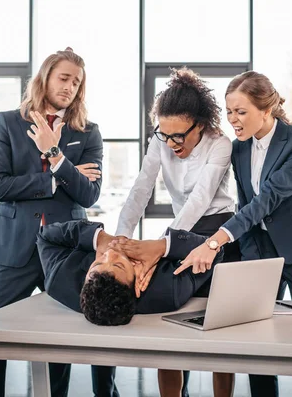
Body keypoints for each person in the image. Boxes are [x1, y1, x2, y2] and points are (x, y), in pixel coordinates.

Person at [178, 71, 292, 397]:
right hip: (261, 253)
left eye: (241, 111)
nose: (233, 119)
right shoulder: (239, 149)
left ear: (267, 109)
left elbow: (270, 197)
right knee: (258, 343)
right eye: (230, 111)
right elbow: (245, 203)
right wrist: (249, 255)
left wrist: (217, 239)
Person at [0, 48, 109, 397]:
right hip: (14, 248)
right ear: (46, 77)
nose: (69, 87)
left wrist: (56, 157)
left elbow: (88, 194)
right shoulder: (7, 123)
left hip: (65, 250)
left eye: (76, 82)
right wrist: (58, 179)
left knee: (60, 338)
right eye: (64, 78)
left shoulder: (88, 132)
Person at [114, 67, 239, 395]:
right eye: (164, 135)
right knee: (167, 326)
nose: (170, 144)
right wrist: (120, 237)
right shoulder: (161, 140)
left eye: (179, 136)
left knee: (219, 333)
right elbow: (142, 187)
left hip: (215, 233)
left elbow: (200, 200)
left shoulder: (220, 143)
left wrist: (160, 246)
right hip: (177, 232)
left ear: (200, 125)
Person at [36, 220, 229, 397]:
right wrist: (162, 247)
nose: (110, 253)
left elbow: (46, 235)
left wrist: (99, 239)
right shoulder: (169, 289)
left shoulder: (59, 280)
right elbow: (215, 250)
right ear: (135, 284)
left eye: (98, 263)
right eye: (120, 265)